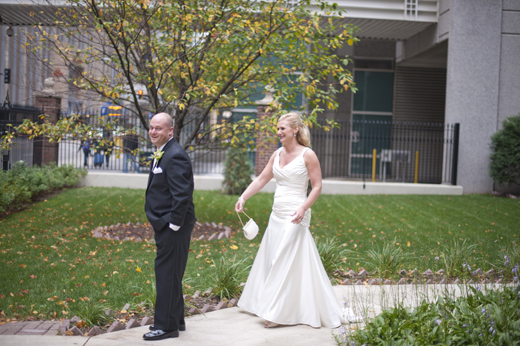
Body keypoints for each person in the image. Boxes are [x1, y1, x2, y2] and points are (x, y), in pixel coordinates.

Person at [235, 112, 348, 329]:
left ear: (295, 130)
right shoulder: (276, 154)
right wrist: (243, 197)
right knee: (274, 258)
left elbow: (317, 187)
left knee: (283, 260)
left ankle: (277, 313)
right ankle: (272, 303)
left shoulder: (308, 155)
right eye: (277, 129)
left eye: (282, 129)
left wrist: (303, 208)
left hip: (296, 214)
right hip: (276, 214)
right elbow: (261, 179)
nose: (278, 132)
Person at [143, 113, 197, 341]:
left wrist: (173, 224)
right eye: (151, 128)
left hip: (173, 225)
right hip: (166, 222)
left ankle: (166, 327)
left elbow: (182, 194)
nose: (153, 132)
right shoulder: (164, 151)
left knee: (166, 274)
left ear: (170, 131)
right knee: (171, 272)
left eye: (159, 129)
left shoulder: (174, 155)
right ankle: (177, 320)